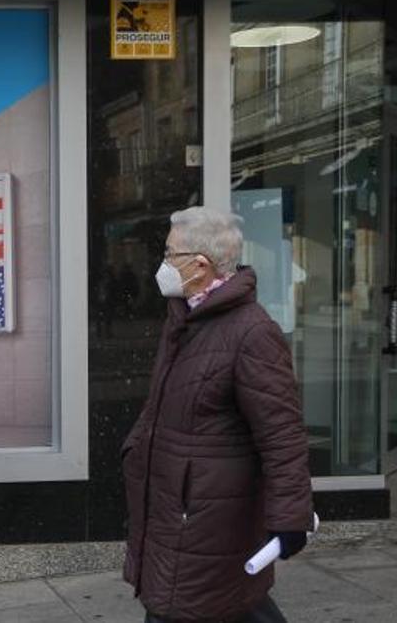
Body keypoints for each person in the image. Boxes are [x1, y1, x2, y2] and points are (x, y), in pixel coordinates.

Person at [121, 206, 313, 623]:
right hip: (178, 507)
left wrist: (290, 517)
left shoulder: (251, 332)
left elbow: (281, 435)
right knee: (203, 603)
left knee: (186, 605)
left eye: (170, 255)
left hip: (206, 516)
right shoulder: (186, 319)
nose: (163, 264)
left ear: (200, 265)